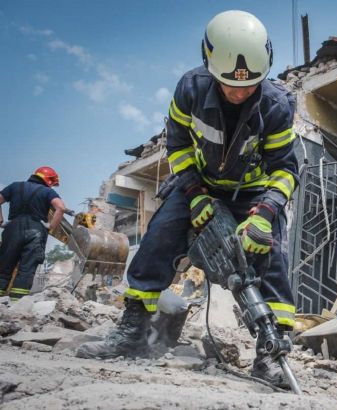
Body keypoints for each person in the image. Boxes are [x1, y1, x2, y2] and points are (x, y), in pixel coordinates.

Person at [77, 10, 299, 387]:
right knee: (159, 238)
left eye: (249, 86)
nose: (240, 92)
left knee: (270, 256)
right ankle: (132, 332)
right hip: (201, 185)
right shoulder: (190, 89)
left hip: (253, 193)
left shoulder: (277, 105)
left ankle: (271, 351)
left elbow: (286, 170)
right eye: (230, 86)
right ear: (210, 64)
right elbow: (178, 147)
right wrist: (195, 196)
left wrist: (263, 214)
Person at [0, 167, 66, 299]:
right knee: (26, 270)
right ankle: (16, 304)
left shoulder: (15, 186)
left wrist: (0, 220)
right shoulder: (48, 192)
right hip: (36, 232)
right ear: (49, 180)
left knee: (3, 268)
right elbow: (60, 208)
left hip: (12, 229)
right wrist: (50, 226)